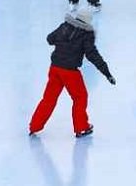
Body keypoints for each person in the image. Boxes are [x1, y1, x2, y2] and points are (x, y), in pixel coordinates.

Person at [29, 8, 116, 138]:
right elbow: (93, 55)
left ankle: (34, 126)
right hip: (70, 72)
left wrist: (62, 40)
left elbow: (49, 39)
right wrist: (107, 73)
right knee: (80, 97)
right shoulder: (86, 34)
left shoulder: (65, 26)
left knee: (48, 99)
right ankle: (81, 127)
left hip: (55, 68)